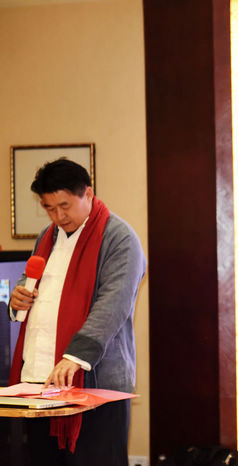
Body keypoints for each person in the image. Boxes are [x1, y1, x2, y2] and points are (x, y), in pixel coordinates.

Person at [7, 158, 147, 465]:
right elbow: (32, 283)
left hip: (94, 382)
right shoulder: (47, 236)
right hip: (40, 383)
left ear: (88, 193)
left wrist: (74, 356)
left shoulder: (119, 238)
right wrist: (18, 300)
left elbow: (113, 304)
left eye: (65, 206)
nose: (58, 216)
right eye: (49, 208)